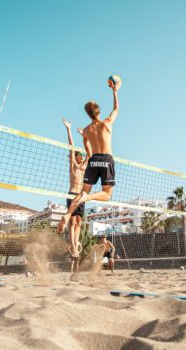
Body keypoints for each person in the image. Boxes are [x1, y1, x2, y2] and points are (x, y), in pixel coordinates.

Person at [59, 78, 121, 240]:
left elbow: (88, 150)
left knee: (82, 191)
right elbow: (116, 109)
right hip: (107, 159)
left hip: (93, 160)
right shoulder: (106, 124)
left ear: (88, 114)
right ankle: (88, 197)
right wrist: (115, 91)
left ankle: (67, 214)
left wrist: (91, 156)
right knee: (106, 195)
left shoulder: (86, 131)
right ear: (99, 112)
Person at [62, 118, 88, 259]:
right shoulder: (73, 166)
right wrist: (68, 129)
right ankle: (73, 247)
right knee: (72, 221)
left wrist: (84, 136)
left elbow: (89, 152)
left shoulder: (84, 166)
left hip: (82, 195)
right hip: (72, 193)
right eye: (79, 155)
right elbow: (71, 146)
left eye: (82, 155)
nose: (81, 156)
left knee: (78, 222)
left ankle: (75, 244)